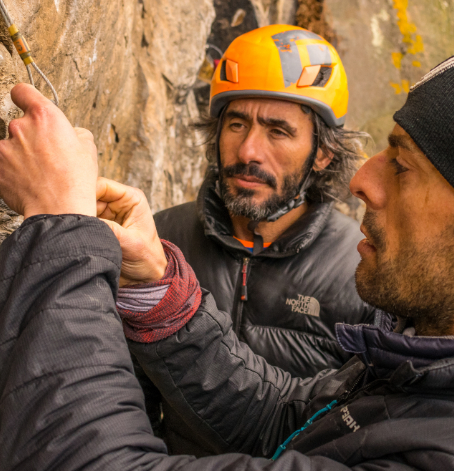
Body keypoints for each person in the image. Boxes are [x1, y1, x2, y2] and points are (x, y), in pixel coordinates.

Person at [0, 36, 454, 470]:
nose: (360, 181)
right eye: (235, 122)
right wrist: (158, 283)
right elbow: (285, 417)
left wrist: (57, 225)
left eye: (402, 167)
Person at [145, 25, 374, 453]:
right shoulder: (161, 240)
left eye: (278, 131)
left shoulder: (361, 273)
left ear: (322, 153)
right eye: (236, 123)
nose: (249, 150)